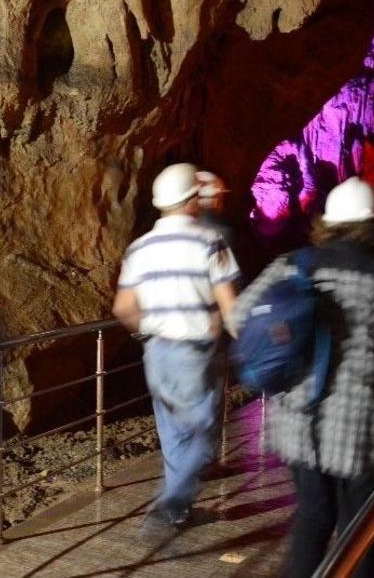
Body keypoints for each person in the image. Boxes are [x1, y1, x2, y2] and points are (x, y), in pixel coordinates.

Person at [229, 176, 374, 578]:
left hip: (300, 421)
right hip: (364, 426)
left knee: (313, 517)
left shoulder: (292, 264)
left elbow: (240, 316)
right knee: (361, 529)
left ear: (329, 223)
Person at [112, 162, 241, 526]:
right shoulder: (208, 242)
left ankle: (179, 511)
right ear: (191, 200)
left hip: (157, 350)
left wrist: (149, 332)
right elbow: (230, 307)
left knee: (171, 429)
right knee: (202, 427)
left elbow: (123, 307)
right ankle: (172, 500)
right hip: (197, 350)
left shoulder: (139, 247)